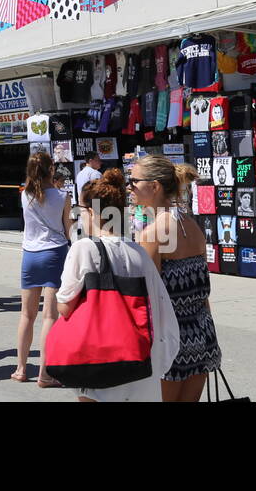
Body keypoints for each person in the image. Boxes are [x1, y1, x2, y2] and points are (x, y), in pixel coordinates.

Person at [56, 169, 179, 402]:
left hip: (99, 361)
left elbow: (64, 307)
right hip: (139, 361)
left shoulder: (84, 248)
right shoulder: (138, 251)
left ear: (91, 212)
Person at [128, 155, 222, 401]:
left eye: (134, 181)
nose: (130, 187)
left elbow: (145, 297)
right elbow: (203, 291)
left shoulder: (153, 233)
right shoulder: (192, 226)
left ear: (155, 186)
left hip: (168, 336)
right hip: (202, 332)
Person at [14, 153, 70, 386]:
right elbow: (68, 229)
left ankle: (20, 368)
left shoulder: (25, 196)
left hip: (29, 255)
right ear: (51, 169)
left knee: (26, 315)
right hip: (54, 253)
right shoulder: (62, 196)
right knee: (49, 315)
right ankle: (44, 373)